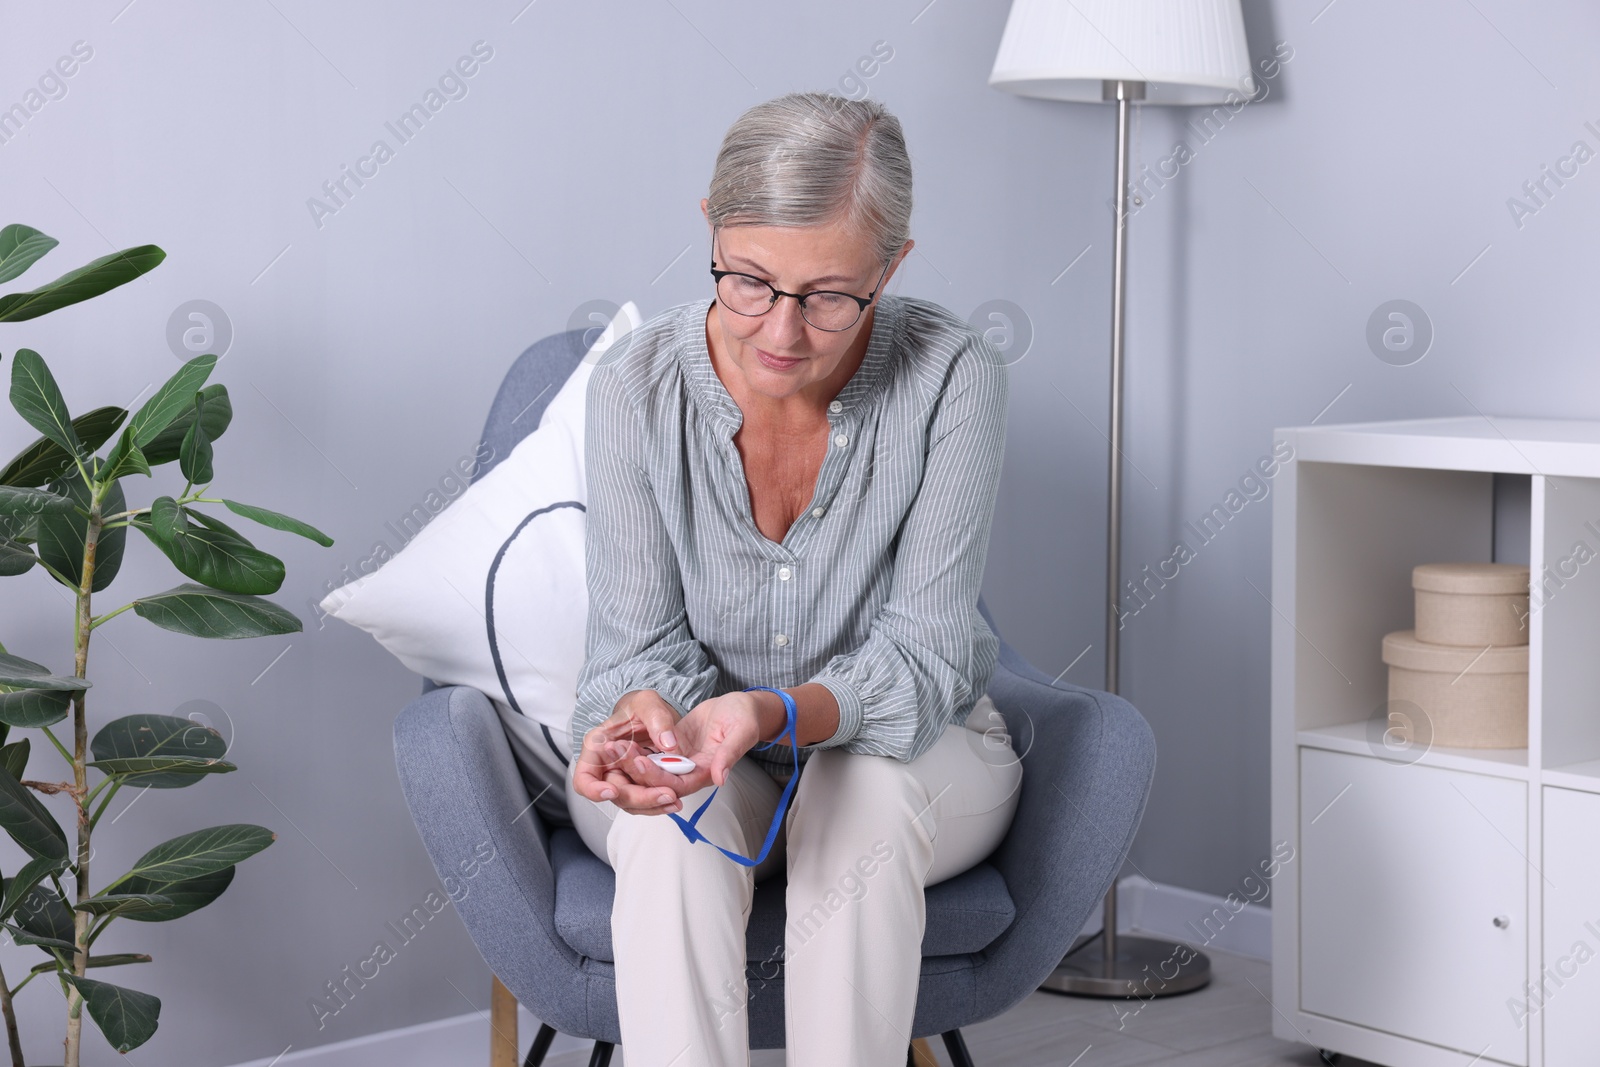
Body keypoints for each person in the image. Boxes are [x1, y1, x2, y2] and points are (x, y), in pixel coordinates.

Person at [565, 90, 1022, 1067]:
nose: (780, 330)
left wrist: (770, 712)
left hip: (918, 752)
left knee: (858, 801)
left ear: (891, 265)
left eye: (828, 295)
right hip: (707, 746)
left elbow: (928, 653)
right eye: (748, 281)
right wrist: (652, 716)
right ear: (711, 231)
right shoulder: (633, 387)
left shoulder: (952, 374)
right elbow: (634, 643)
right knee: (665, 834)